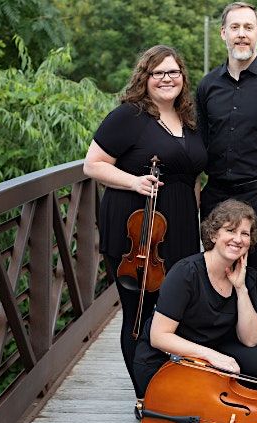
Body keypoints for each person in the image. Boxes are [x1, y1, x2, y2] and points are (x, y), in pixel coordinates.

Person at [83, 45, 206, 397]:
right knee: (139, 313)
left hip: (179, 225)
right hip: (136, 230)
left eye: (173, 72)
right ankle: (145, 396)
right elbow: (92, 164)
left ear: (183, 77)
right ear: (145, 78)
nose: (167, 79)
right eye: (158, 73)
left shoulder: (189, 121)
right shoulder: (129, 116)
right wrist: (134, 181)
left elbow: (192, 176)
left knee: (173, 312)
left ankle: (169, 390)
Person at [196, 2, 257, 366]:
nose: (241, 33)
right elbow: (197, 149)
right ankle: (224, 367)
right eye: (234, 27)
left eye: (248, 27)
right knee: (217, 281)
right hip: (217, 197)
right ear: (222, 33)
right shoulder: (207, 86)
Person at [132, 199, 257, 398]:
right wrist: (213, 356)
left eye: (244, 233)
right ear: (213, 235)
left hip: (210, 353)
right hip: (167, 358)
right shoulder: (186, 273)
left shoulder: (245, 276)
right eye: (230, 230)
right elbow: (159, 337)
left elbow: (251, 339)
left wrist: (240, 289)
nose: (238, 239)